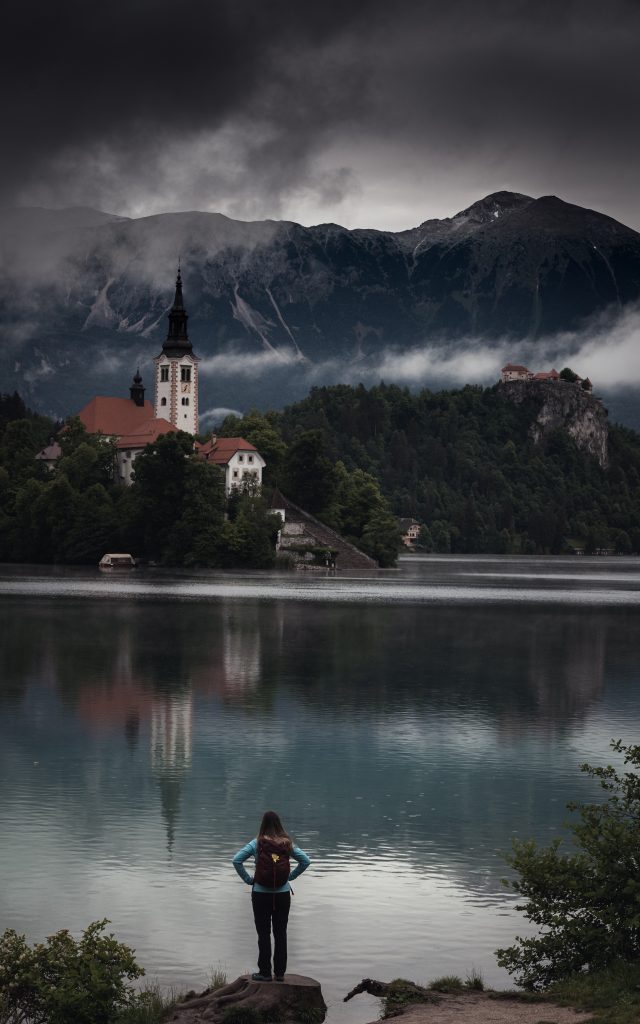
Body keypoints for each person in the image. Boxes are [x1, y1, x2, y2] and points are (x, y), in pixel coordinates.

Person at [232, 810, 311, 982]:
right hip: (282, 895)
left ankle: (265, 973)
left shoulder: (256, 843)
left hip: (260, 894)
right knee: (280, 933)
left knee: (263, 933)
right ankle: (280, 973)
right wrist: (290, 877)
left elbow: (236, 860)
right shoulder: (287, 843)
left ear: (263, 824)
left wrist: (248, 879)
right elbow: (306, 861)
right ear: (279, 824)